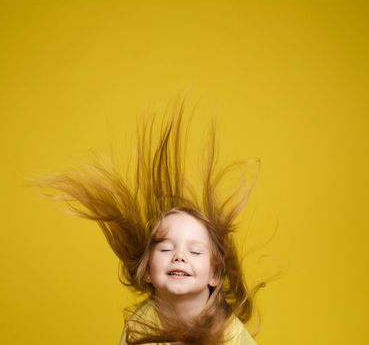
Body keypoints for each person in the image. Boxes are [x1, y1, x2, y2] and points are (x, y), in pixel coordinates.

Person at [36, 99, 267, 344]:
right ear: (147, 270)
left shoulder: (228, 334)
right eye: (166, 248)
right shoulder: (139, 325)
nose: (179, 256)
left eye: (195, 251)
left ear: (216, 274)